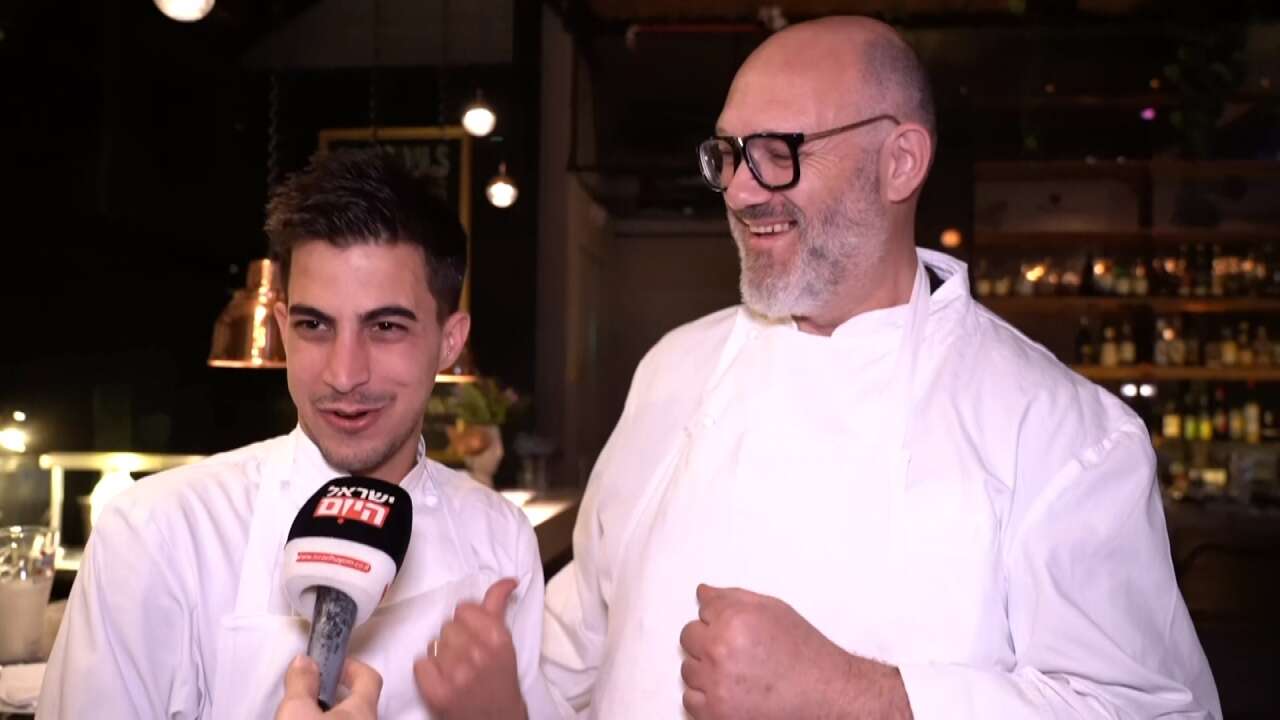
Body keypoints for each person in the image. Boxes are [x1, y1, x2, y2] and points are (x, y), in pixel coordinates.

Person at [541, 15, 1221, 719]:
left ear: (900, 161)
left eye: (778, 151)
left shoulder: (1061, 432)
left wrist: (848, 695)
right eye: (730, 155)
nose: (740, 191)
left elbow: (1153, 709)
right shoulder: (672, 367)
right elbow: (572, 655)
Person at [39, 150, 562, 719]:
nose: (345, 374)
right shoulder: (156, 533)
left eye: (386, 326)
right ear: (284, 330)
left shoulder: (499, 538)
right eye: (315, 325)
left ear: (449, 342)